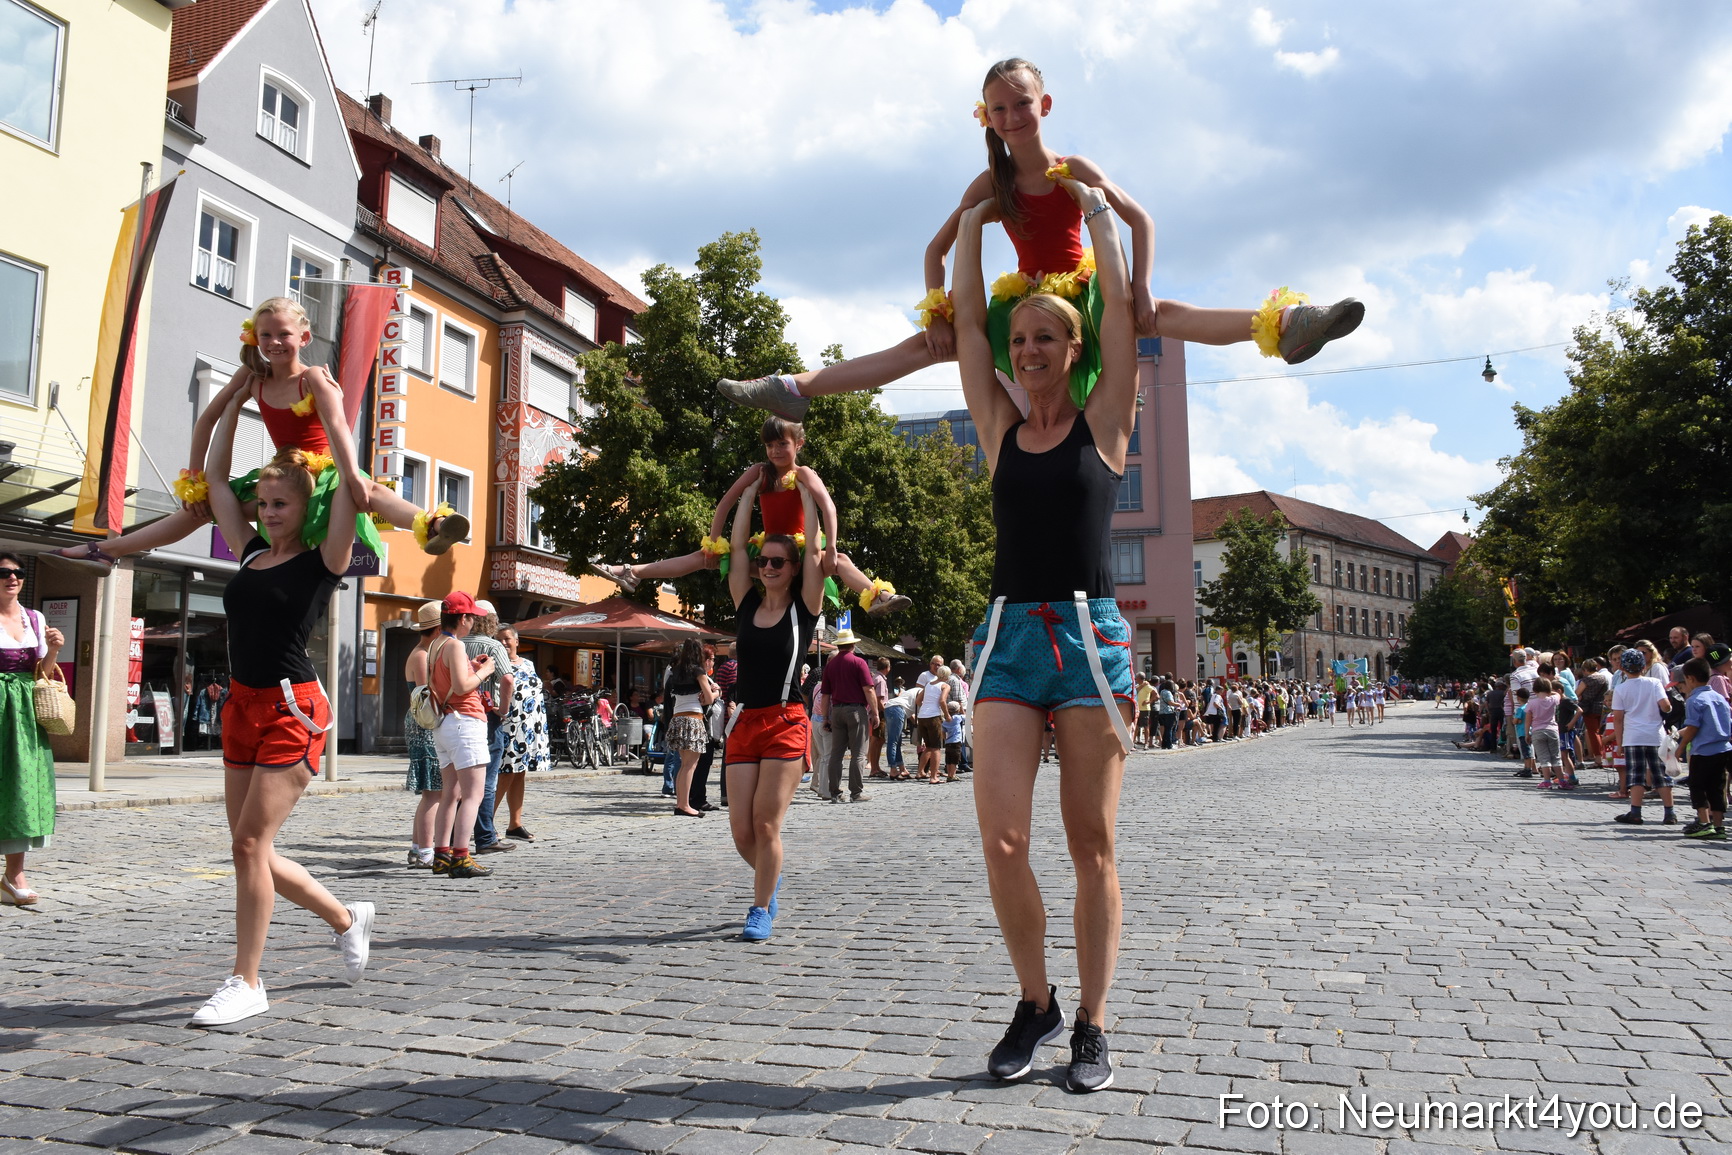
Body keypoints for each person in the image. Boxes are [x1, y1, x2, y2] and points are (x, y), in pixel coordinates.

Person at [718, 58, 1362, 424]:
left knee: (1160, 316)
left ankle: (1290, 323)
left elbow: (1140, 220)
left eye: (1020, 105)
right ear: (986, 118)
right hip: (1027, 299)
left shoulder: (1071, 169)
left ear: (1043, 105)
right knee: (924, 347)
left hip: (1084, 286)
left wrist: (1137, 286)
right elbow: (934, 252)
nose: (1010, 118)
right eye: (997, 110)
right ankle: (795, 388)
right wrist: (939, 311)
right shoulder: (990, 180)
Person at [952, 172, 1136, 1093]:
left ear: (1073, 346)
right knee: (1003, 842)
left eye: (1044, 338)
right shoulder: (995, 425)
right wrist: (978, 222)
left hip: (1088, 637)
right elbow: (964, 325)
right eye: (1018, 339)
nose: (1026, 350)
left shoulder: (1106, 422)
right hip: (1007, 638)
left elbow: (1121, 321)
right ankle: (1037, 1001)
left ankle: (1094, 1024)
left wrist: (1100, 215)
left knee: (1090, 843)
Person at [188, 394, 373, 1026]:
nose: (268, 514)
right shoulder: (248, 553)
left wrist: (332, 404)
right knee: (251, 850)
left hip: (293, 708)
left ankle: (247, 981)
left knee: (247, 843)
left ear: (307, 507)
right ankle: (347, 918)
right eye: (263, 503)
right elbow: (214, 482)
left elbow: (353, 481)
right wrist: (234, 396)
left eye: (280, 504)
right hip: (241, 705)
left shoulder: (326, 559)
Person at [53, 297, 465, 573]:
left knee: (370, 491)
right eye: (266, 335)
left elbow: (339, 428)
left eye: (284, 334)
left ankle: (431, 524)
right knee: (203, 509)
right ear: (256, 337)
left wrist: (352, 476)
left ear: (303, 338)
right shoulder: (253, 377)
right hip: (284, 473)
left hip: (325, 467)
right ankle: (107, 550)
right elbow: (206, 420)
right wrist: (195, 482)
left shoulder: (315, 378)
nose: (274, 342)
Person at [592, 417, 909, 617]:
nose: (774, 451)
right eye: (769, 445)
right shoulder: (759, 473)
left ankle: (878, 595)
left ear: (798, 444)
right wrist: (714, 543)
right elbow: (725, 503)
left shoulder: (804, 473)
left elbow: (829, 507)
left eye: (781, 444)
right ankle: (633, 572)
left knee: (841, 562)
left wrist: (833, 548)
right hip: (769, 550)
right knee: (701, 557)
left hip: (799, 551)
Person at [721, 471, 825, 942]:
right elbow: (737, 549)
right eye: (764, 561)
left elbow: (818, 552)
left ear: (793, 566)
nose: (766, 567)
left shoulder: (805, 605)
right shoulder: (745, 603)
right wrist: (745, 495)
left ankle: (761, 907)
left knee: (766, 823)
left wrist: (805, 493)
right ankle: (771, 875)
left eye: (778, 563)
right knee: (742, 831)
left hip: (786, 720)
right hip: (744, 722)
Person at [0, 551, 64, 907]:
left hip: (23, 711)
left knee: (23, 783)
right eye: (4, 573)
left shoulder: (34, 618)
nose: (13, 578)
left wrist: (53, 650)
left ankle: (14, 875)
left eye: (19, 572)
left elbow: (42, 672)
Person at [427, 592, 499, 877]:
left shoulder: (435, 644)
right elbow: (461, 686)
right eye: (472, 618)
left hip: (445, 722)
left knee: (451, 793)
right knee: (473, 794)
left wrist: (473, 668)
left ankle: (441, 855)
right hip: (464, 722)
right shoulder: (454, 646)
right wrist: (486, 671)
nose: (473, 624)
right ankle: (461, 857)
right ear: (464, 618)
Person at [464, 602, 516, 857]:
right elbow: (507, 679)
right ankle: (485, 836)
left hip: (455, 715)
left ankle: (455, 837)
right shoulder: (493, 645)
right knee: (487, 780)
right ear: (492, 620)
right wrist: (502, 709)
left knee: (459, 781)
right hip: (486, 715)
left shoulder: (455, 643)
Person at [1611, 648, 1677, 826]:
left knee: (1636, 775)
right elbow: (1665, 706)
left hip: (1633, 737)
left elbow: (1618, 719)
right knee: (1661, 774)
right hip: (1656, 736)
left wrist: (1619, 742)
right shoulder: (1654, 683)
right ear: (1643, 666)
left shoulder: (1620, 689)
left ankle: (1636, 812)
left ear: (1623, 669)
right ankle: (1669, 812)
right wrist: (1669, 709)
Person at [495, 626, 548, 839]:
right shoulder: (495, 665)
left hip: (529, 727)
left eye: (507, 639)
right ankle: (484, 821)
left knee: (519, 774)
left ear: (517, 641)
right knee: (506, 773)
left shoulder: (528, 664)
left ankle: (514, 824)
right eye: (499, 640)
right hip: (508, 725)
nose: (504, 643)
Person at [402, 601, 444, 869]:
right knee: (433, 792)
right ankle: (426, 850)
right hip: (424, 723)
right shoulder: (421, 655)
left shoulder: (426, 652)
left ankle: (419, 849)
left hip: (425, 722)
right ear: (438, 629)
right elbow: (426, 694)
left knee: (432, 791)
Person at [819, 628, 879, 803]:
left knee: (836, 754)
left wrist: (825, 717)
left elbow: (825, 695)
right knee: (858, 753)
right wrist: (874, 713)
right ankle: (856, 793)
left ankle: (835, 793)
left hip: (836, 711)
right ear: (853, 645)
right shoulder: (859, 663)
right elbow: (868, 689)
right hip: (856, 710)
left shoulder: (830, 665)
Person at [664, 638, 719, 817]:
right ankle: (685, 805)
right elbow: (709, 699)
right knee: (690, 765)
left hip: (677, 719)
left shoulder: (675, 672)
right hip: (693, 720)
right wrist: (716, 691)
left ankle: (681, 803)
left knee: (683, 765)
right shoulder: (698, 671)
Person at [1677, 657, 1730, 839]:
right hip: (1723, 749)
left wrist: (1681, 747)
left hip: (1703, 751)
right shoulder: (1719, 697)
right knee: (1717, 787)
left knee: (1698, 786)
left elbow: (1693, 727)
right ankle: (1719, 826)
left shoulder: (1694, 700)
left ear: (1690, 679)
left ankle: (1704, 822)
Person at [915, 658, 951, 783]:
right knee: (936, 748)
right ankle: (933, 777)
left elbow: (918, 701)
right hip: (933, 717)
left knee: (928, 747)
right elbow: (942, 701)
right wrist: (947, 715)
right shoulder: (945, 685)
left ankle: (920, 772)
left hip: (922, 716)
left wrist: (926, 706)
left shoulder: (928, 684)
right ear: (946, 676)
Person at [868, 657, 893, 778]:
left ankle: (876, 767)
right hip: (878, 713)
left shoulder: (875, 677)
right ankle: (874, 768)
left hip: (875, 712)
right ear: (887, 668)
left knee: (879, 740)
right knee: (877, 740)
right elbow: (878, 700)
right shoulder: (881, 680)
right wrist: (886, 711)